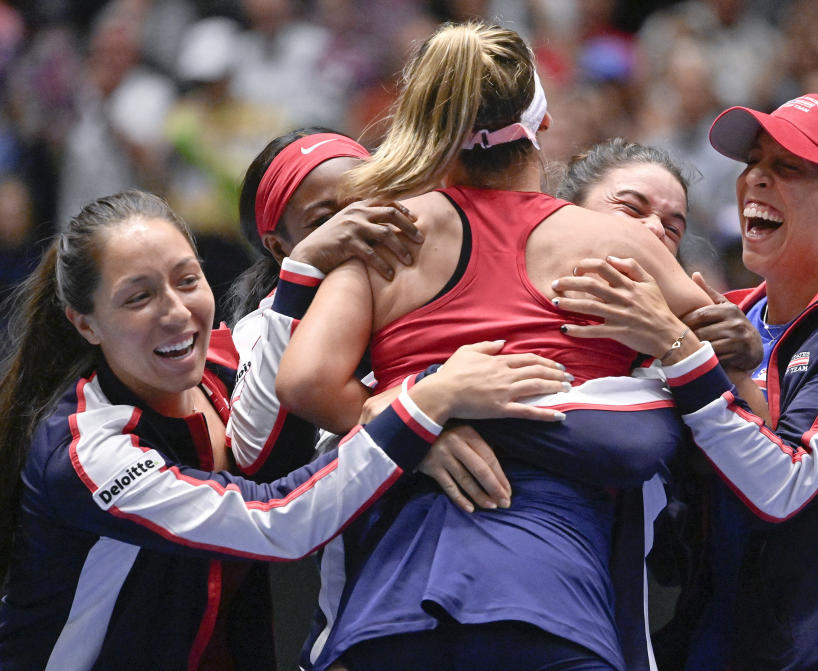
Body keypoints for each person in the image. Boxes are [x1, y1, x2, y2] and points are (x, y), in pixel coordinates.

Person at [275, 21, 715, 671]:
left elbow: (305, 380)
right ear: (537, 121)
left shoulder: (389, 233)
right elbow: (740, 387)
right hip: (555, 598)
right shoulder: (618, 244)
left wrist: (413, 417)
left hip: (394, 601)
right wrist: (680, 338)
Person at [0, 189, 573, 670]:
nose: (176, 311)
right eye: (138, 297)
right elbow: (281, 520)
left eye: (187, 279)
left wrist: (306, 266)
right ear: (85, 323)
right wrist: (426, 406)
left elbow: (279, 382)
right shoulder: (85, 450)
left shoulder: (221, 363)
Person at [552, 93, 818, 670]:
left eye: (788, 168)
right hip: (710, 645)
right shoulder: (725, 315)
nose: (755, 179)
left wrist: (681, 349)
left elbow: (783, 486)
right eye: (754, 162)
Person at [223, 127, 422, 480]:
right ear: (281, 248)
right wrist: (301, 273)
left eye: (364, 203)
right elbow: (257, 459)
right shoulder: (262, 324)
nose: (354, 227)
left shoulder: (431, 271)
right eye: (324, 221)